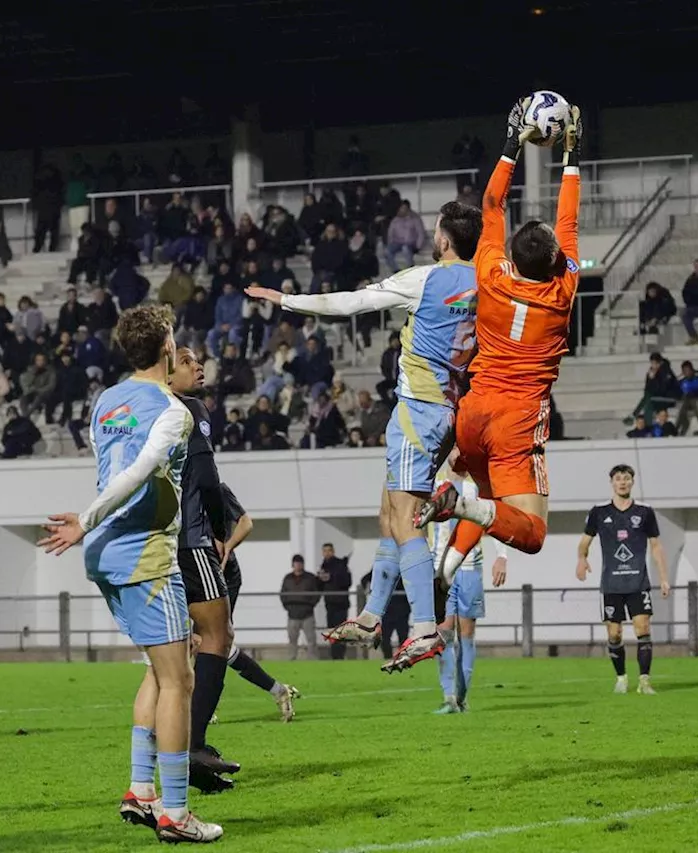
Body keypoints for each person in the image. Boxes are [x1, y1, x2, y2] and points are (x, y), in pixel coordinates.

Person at [246, 200, 484, 674]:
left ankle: (422, 626)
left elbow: (352, 302)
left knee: (406, 519)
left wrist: (287, 300)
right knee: (387, 512)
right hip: (443, 408)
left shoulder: (424, 279)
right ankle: (374, 614)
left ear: (443, 239)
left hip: (420, 409)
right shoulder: (486, 282)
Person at [35, 304, 222, 843]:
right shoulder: (173, 409)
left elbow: (112, 460)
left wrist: (91, 527)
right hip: (144, 552)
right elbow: (139, 471)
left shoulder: (105, 402)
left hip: (105, 553)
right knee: (180, 680)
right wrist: (85, 516)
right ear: (167, 347)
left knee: (157, 672)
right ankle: (176, 814)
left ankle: (142, 792)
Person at [415, 98, 582, 597]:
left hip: (474, 412)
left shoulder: (491, 272)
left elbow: (492, 205)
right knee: (531, 533)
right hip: (515, 418)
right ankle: (461, 507)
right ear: (555, 260)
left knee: (490, 495)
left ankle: (446, 570)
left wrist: (512, 143)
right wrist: (572, 150)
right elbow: (569, 220)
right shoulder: (561, 294)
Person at [167, 347, 239, 791]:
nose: (199, 366)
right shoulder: (191, 408)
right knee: (218, 635)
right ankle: (195, 745)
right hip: (191, 541)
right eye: (187, 361)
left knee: (172, 654)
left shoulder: (144, 407)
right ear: (167, 372)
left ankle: (175, 763)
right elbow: (207, 476)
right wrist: (218, 527)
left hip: (156, 543)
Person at [575, 464, 670, 695]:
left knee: (643, 627)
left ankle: (645, 681)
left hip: (638, 582)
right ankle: (621, 678)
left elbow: (656, 546)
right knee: (614, 633)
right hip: (611, 584)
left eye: (627, 478)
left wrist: (664, 578)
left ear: (632, 482)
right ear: (612, 483)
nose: (623, 482)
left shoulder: (645, 512)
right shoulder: (599, 512)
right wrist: (581, 559)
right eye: (618, 479)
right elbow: (585, 541)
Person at [211, 483, 299, 722]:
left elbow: (245, 522)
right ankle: (277, 690)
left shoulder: (215, 488)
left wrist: (228, 547)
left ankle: (203, 708)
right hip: (195, 574)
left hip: (223, 576)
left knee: (214, 644)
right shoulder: (178, 488)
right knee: (205, 644)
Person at [427, 452, 497, 714]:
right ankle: (448, 697)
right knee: (443, 634)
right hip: (440, 569)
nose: (457, 454)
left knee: (465, 634)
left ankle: (462, 696)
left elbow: (492, 519)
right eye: (453, 448)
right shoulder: (433, 485)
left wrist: (501, 557)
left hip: (469, 568)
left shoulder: (477, 486)